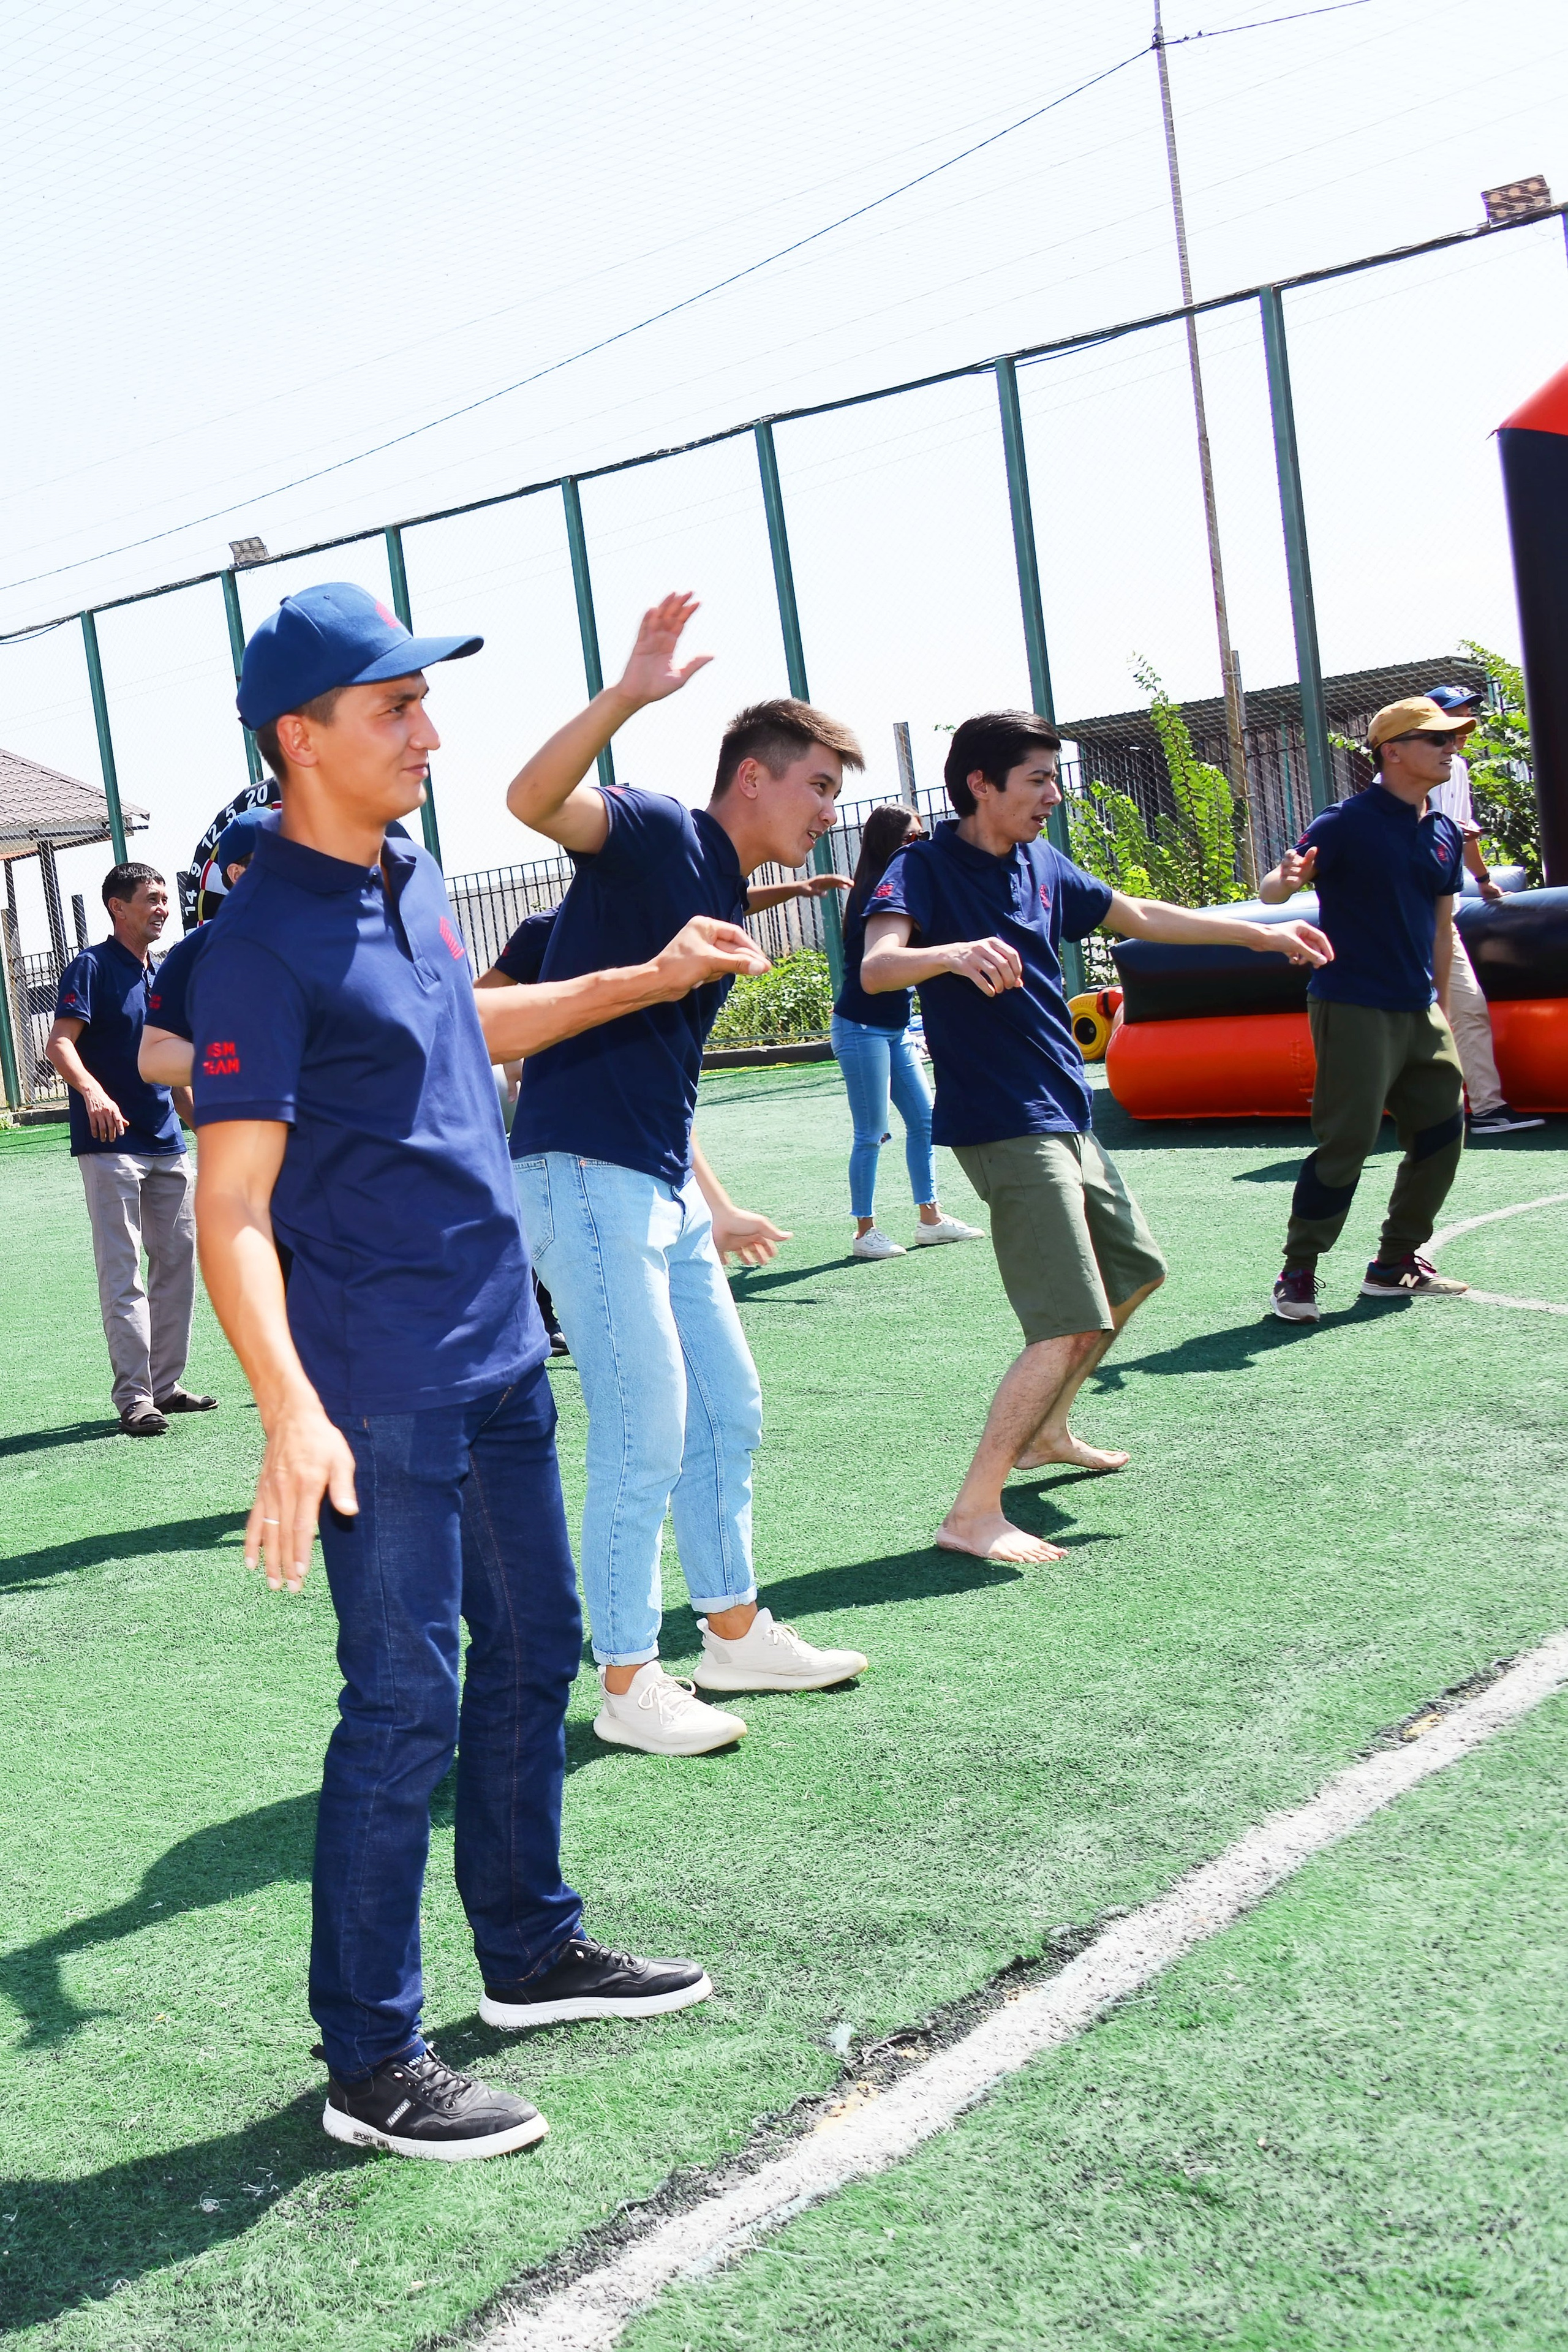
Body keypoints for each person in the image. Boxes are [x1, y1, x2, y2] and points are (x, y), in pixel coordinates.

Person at [190, 581, 767, 2162]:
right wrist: (288, 1410)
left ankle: (526, 1951)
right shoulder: (255, 951)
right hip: (379, 1380)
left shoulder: (410, 871)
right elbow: (229, 1208)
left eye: (425, 701)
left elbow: (470, 1023)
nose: (430, 731)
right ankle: (371, 2063)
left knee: (533, 1652)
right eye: (396, 708)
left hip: (500, 1342)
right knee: (402, 1707)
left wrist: (642, 980)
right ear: (299, 738)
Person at [505, 592, 870, 1757]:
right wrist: (628, 696)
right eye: (817, 786)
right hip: (582, 1174)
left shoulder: (713, 881)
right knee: (641, 1434)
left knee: (727, 1411)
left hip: (655, 1185)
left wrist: (705, 1200)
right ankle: (625, 1685)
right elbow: (529, 802)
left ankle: (734, 1629)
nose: (829, 810)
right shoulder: (660, 829)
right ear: (753, 778)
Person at [860, 710, 1331, 1565]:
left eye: (1054, 778)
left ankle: (1048, 1432)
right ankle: (972, 1513)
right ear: (981, 783)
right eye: (1038, 779)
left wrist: (1260, 933)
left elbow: (1138, 913)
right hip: (1004, 1121)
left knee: (1135, 1271)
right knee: (1065, 1320)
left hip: (1064, 1110)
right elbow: (877, 965)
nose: (1053, 795)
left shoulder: (1043, 864)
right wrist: (951, 954)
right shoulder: (922, 868)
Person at [1260, 695, 1473, 1323]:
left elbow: (1441, 930)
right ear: (1393, 750)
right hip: (1351, 1004)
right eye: (1435, 739)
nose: (1450, 748)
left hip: (1418, 1009)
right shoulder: (1344, 822)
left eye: (1452, 739)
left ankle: (1394, 1264)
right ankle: (1298, 1271)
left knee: (1441, 1133)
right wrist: (1286, 879)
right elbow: (1274, 889)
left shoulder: (1442, 832)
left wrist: (1436, 1003)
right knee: (1346, 1142)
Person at [46, 863, 216, 1436]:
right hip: (110, 1146)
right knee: (125, 1273)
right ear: (118, 908)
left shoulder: (165, 975)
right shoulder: (91, 967)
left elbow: (173, 1065)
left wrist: (210, 1130)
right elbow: (60, 1044)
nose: (163, 908)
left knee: (177, 1266)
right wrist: (92, 1091)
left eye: (166, 898)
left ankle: (165, 1387)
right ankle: (135, 1398)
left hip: (167, 1143)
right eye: (151, 899)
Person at [830, 802, 981, 1259]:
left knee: (925, 1120)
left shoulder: (901, 885)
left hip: (895, 1029)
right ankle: (864, 1233)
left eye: (921, 838)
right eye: (911, 839)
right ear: (887, 843)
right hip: (861, 1028)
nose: (919, 846)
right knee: (872, 1130)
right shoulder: (879, 894)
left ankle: (930, 1219)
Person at [1422, 682, 1542, 1137]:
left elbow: (1462, 833)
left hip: (1441, 907)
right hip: (1402, 912)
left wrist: (1486, 881)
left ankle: (1487, 1109)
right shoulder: (1402, 778)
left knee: (1466, 1008)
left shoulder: (1461, 768)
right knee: (1404, 1013)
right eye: (1453, 716)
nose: (1462, 727)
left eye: (1468, 714)